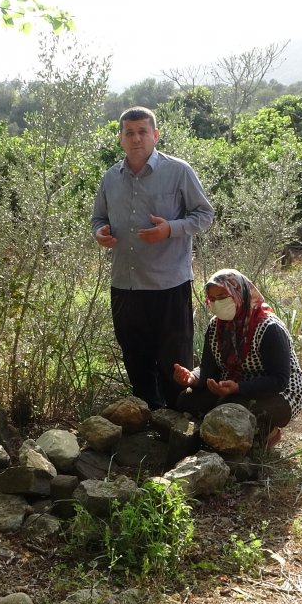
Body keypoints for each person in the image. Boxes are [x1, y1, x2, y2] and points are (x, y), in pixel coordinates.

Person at [91, 106, 214, 410]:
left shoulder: (178, 171)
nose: (136, 139)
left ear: (155, 135)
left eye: (143, 131)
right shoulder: (110, 178)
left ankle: (180, 424)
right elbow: (97, 219)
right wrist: (100, 233)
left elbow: (205, 215)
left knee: (175, 363)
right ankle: (147, 423)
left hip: (169, 285)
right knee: (136, 358)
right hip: (126, 286)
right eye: (129, 133)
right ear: (120, 138)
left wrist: (170, 229)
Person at [172, 269, 302, 448]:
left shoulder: (269, 328)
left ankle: (267, 432)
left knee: (230, 407)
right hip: (231, 387)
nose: (216, 303)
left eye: (222, 296)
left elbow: (279, 379)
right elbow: (208, 368)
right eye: (212, 299)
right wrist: (192, 378)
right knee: (185, 400)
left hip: (279, 393)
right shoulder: (216, 327)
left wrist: (239, 388)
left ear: (239, 293)